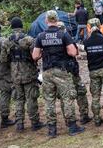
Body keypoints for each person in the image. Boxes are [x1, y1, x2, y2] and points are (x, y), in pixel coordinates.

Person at [32, 10, 85, 138]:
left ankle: (52, 130)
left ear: (46, 21)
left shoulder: (40, 36)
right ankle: (72, 127)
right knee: (67, 98)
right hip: (61, 71)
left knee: (49, 100)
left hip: (47, 72)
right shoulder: (63, 35)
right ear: (56, 20)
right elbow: (73, 52)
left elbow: (35, 56)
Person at [0, 17, 45, 132]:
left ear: (12, 27)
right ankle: (35, 122)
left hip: (15, 74)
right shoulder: (29, 39)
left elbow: (3, 59)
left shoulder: (6, 41)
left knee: (19, 99)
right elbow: (35, 56)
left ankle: (19, 123)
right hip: (28, 72)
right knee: (31, 98)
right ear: (21, 26)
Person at [57, 21, 91, 125]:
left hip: (59, 72)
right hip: (71, 70)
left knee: (64, 96)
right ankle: (84, 115)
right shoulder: (67, 38)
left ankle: (68, 119)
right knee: (80, 92)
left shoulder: (50, 41)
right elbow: (75, 52)